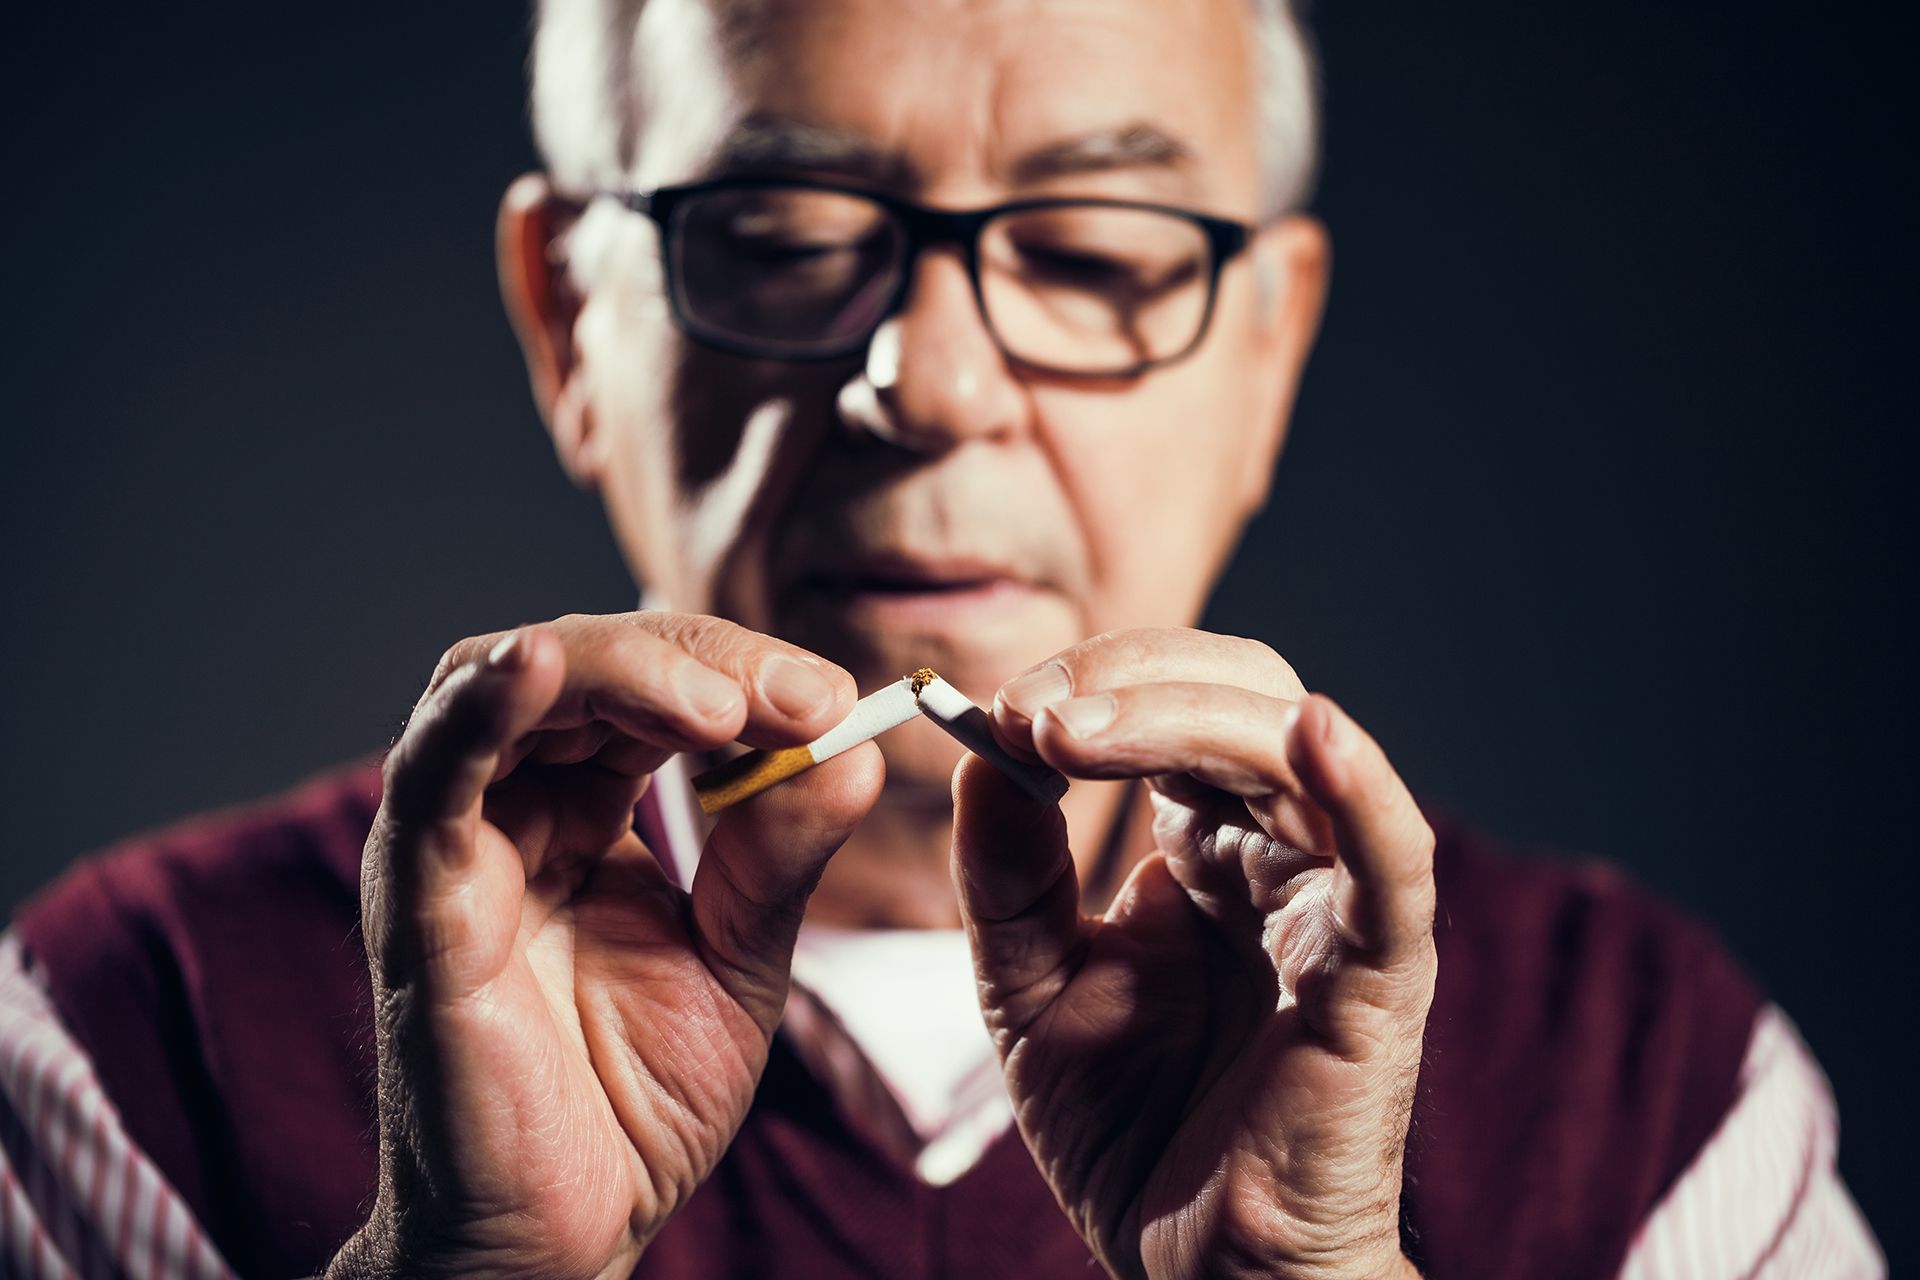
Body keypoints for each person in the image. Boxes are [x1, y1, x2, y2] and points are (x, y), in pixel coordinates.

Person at [0, 0, 1883, 1276]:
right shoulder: (127, 1034)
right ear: (573, 328)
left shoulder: (1655, 1089)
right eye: (785, 232)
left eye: (1095, 247)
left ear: (1268, 356)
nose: (934, 378)